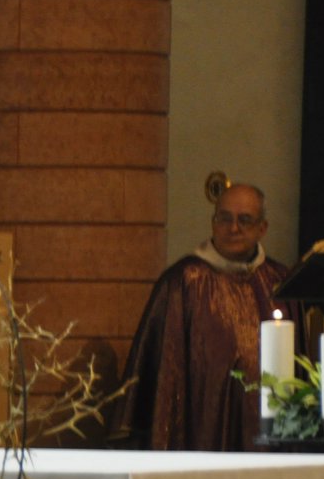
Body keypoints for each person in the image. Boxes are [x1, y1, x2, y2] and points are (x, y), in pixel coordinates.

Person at [114, 183, 298, 451]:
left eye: (244, 220)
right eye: (224, 218)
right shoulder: (183, 282)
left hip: (268, 433)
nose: (233, 228)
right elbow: (163, 373)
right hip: (201, 429)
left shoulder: (281, 282)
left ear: (263, 228)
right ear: (213, 223)